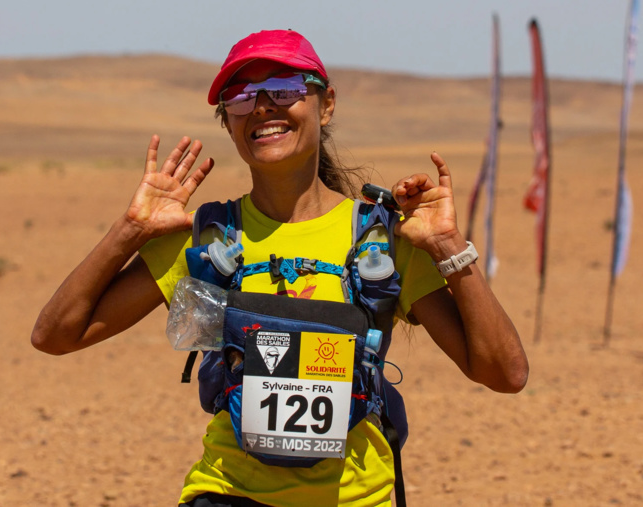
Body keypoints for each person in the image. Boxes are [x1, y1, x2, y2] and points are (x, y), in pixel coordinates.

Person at [31, 29, 528, 507]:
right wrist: (130, 230)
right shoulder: (207, 239)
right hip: (226, 493)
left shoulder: (381, 240)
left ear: (325, 103)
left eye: (284, 89)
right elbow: (56, 335)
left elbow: (504, 373)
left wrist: (448, 247)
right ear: (228, 121)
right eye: (241, 97)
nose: (263, 105)